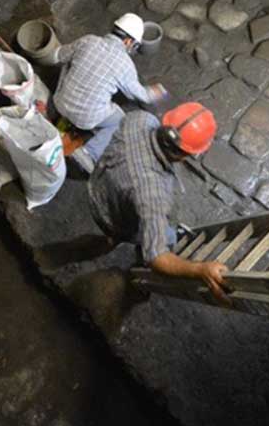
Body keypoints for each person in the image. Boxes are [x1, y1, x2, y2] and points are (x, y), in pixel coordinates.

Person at [87, 102, 230, 303]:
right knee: (166, 238)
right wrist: (200, 269)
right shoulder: (154, 193)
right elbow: (158, 257)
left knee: (121, 231)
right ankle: (124, 261)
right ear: (186, 155)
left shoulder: (140, 119)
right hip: (115, 218)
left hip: (98, 186)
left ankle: (100, 243)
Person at [52, 13, 166, 172]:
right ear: (127, 41)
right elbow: (142, 95)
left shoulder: (88, 40)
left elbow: (58, 55)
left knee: (68, 62)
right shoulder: (125, 65)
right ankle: (89, 153)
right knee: (119, 119)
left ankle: (67, 119)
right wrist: (158, 91)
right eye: (134, 45)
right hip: (85, 119)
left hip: (60, 101)